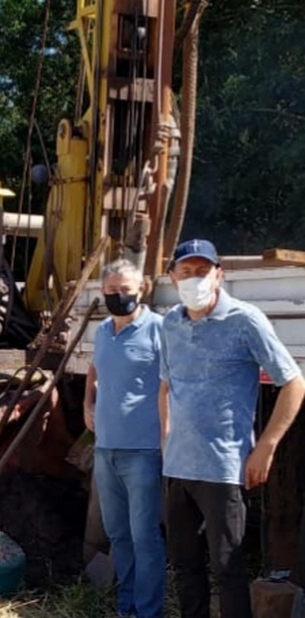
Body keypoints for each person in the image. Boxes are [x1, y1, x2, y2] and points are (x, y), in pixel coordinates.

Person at [160, 239, 305, 618]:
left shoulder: (244, 320)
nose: (195, 279)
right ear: (173, 277)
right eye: (186, 272)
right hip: (178, 467)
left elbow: (293, 382)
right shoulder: (170, 324)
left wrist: (267, 446)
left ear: (219, 274)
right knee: (186, 568)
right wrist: (165, 437)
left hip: (223, 468)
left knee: (228, 569)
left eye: (203, 271)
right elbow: (166, 385)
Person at [84, 259, 165, 618]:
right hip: (105, 450)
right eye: (112, 291)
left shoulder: (159, 330)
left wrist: (168, 439)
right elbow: (95, 368)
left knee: (145, 537)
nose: (119, 296)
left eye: (126, 290)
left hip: (144, 451)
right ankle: (126, 607)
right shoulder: (102, 330)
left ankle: (148, 611)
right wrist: (88, 403)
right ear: (103, 292)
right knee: (119, 535)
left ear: (142, 289)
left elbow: (173, 385)